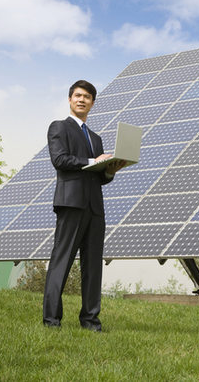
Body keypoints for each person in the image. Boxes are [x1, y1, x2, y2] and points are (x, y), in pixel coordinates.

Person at [43, 80, 126, 331]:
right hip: (71, 203)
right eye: (77, 95)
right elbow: (60, 160)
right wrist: (93, 159)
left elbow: (98, 177)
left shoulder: (96, 138)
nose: (82, 99)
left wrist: (110, 171)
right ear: (70, 100)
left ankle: (90, 321)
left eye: (87, 96)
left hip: (95, 207)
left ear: (92, 103)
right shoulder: (59, 127)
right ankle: (51, 320)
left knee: (93, 265)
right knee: (62, 260)